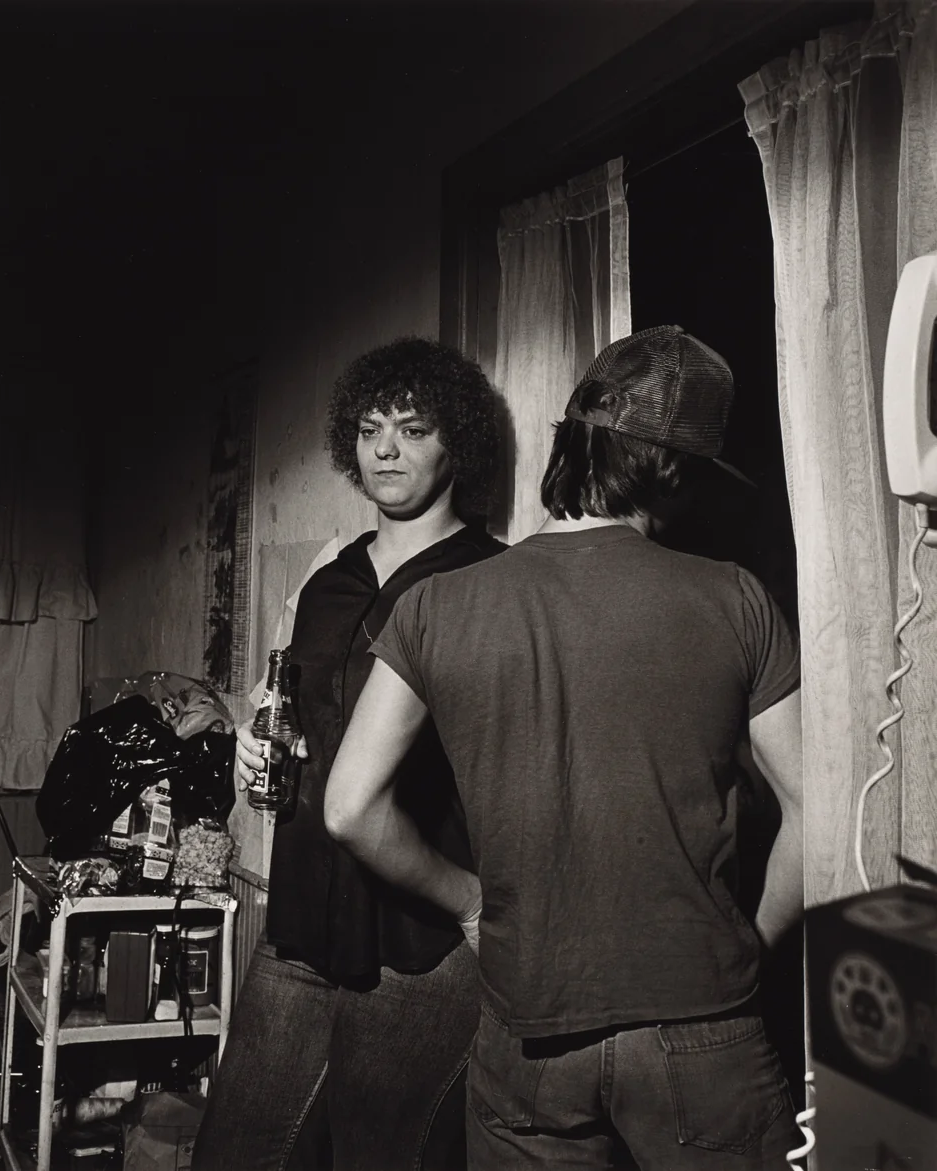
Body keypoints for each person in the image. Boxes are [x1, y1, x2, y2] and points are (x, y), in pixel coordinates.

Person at [324, 325, 805, 1170]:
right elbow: (818, 810)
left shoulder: (437, 605)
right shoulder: (736, 598)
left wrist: (471, 902)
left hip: (526, 1033)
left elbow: (349, 807)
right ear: (671, 466)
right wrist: (747, 949)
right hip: (701, 1026)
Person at [193, 337, 506, 1171]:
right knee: (232, 1153)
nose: (386, 449)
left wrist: (481, 906)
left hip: (421, 944)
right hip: (300, 925)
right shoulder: (327, 579)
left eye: (411, 428)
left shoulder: (491, 581)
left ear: (457, 442)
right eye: (371, 429)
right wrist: (259, 757)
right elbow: (290, 720)